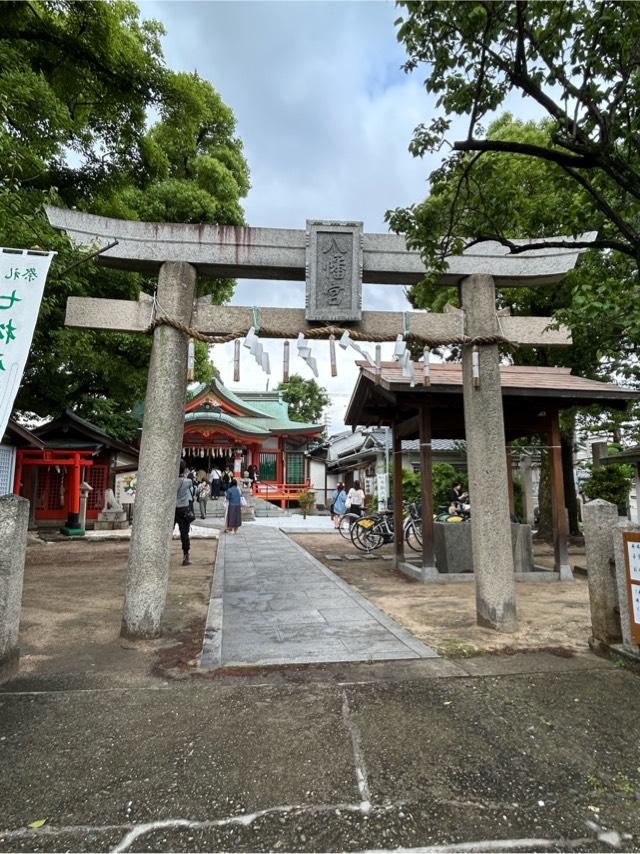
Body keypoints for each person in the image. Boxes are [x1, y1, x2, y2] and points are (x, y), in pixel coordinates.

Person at [176, 460, 195, 566]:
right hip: (183, 509)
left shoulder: (171, 482)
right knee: (184, 533)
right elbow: (192, 484)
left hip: (172, 509)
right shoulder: (188, 482)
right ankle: (186, 556)